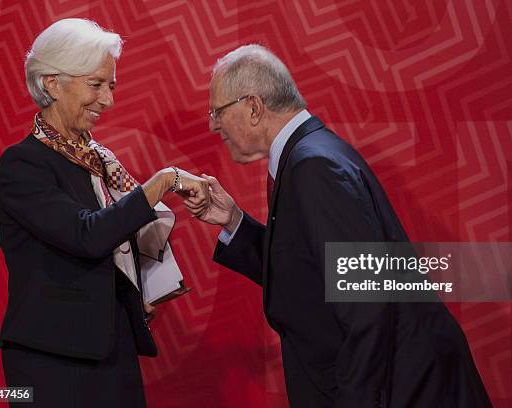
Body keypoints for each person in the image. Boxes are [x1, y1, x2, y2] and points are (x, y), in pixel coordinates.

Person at [192, 44, 492, 407]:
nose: (212, 124)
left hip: (409, 390)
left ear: (253, 107)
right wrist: (234, 221)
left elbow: (368, 304)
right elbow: (307, 275)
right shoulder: (308, 155)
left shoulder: (313, 167)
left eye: (217, 111)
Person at [0, 19, 209, 407]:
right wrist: (162, 181)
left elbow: (110, 248)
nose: (107, 100)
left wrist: (131, 293)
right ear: (51, 83)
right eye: (96, 85)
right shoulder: (21, 166)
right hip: (52, 364)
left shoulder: (97, 162)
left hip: (112, 350)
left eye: (110, 86)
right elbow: (86, 235)